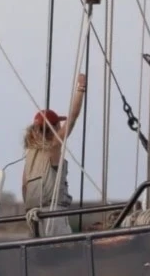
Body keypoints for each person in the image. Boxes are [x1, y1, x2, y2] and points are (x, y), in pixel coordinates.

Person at [22, 74, 87, 235]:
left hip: (34, 217)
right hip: (53, 214)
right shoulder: (54, 146)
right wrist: (81, 89)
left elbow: (24, 186)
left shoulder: (29, 154)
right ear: (54, 127)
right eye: (58, 125)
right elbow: (73, 118)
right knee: (64, 249)